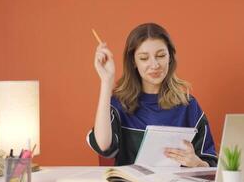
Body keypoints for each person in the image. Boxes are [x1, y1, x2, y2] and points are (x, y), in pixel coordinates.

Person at [87, 23, 217, 167]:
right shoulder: (119, 104)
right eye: (144, 58)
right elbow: (103, 146)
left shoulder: (188, 105)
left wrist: (197, 163)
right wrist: (106, 81)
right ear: (133, 61)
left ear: (170, 57)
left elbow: (211, 165)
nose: (154, 65)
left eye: (161, 56)